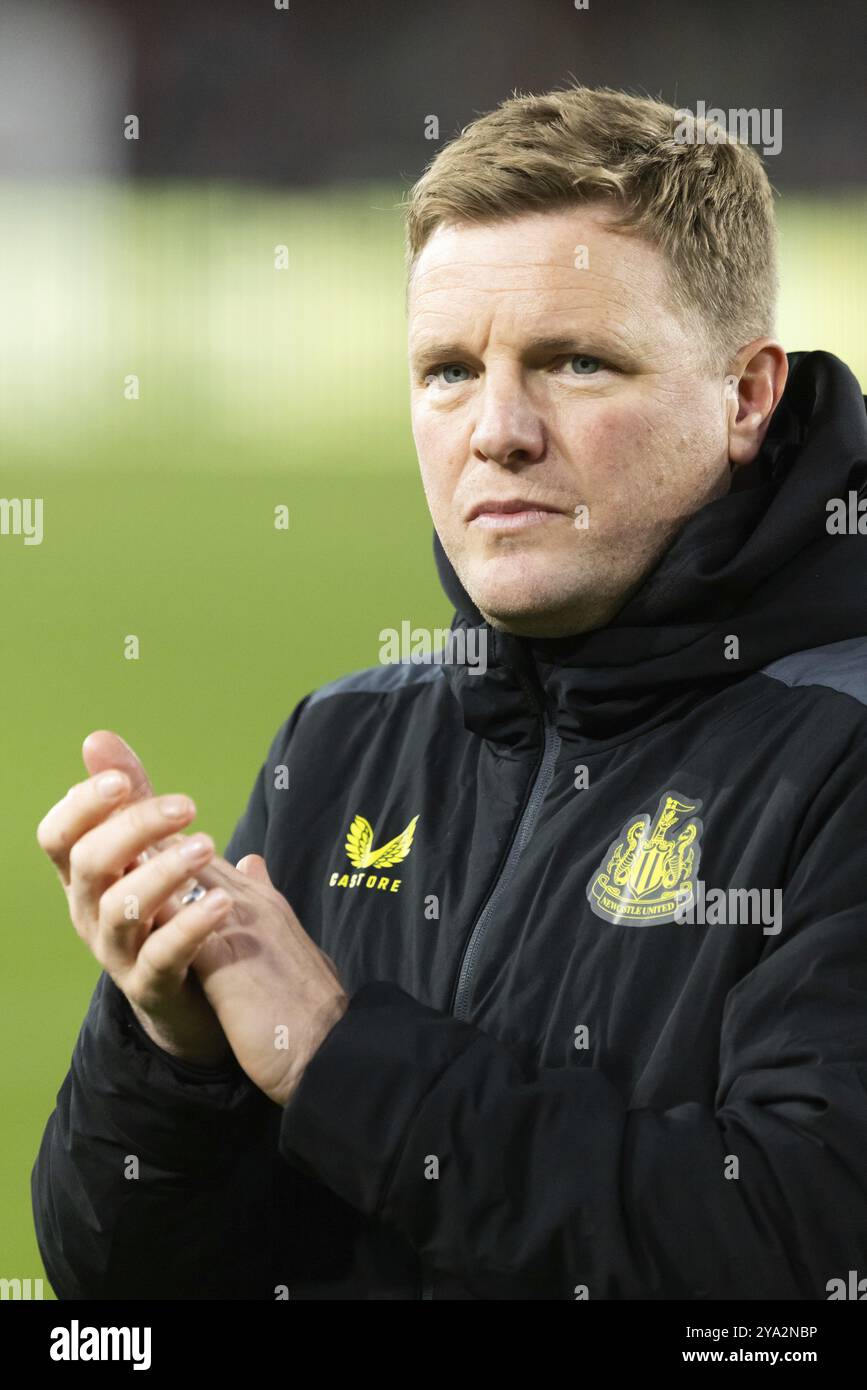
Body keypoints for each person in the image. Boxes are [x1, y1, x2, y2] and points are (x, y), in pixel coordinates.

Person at [32, 84, 867, 1301]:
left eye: (576, 362)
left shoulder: (841, 758)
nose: (498, 431)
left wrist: (337, 1060)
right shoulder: (345, 740)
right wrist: (172, 1052)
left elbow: (799, 1255)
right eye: (447, 372)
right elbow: (126, 1296)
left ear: (746, 397)